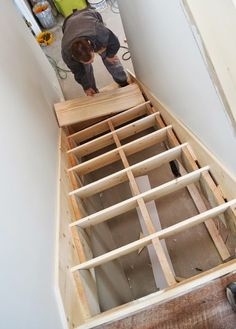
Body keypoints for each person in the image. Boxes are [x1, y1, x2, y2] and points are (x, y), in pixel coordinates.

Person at [61, 8, 128, 96]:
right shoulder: (67, 54)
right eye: (88, 62)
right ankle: (93, 91)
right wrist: (86, 86)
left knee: (110, 58)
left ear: (91, 48)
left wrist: (110, 55)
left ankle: (122, 81)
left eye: (91, 59)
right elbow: (78, 71)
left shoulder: (98, 31)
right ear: (75, 58)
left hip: (88, 16)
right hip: (69, 24)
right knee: (85, 69)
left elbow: (114, 42)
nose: (92, 62)